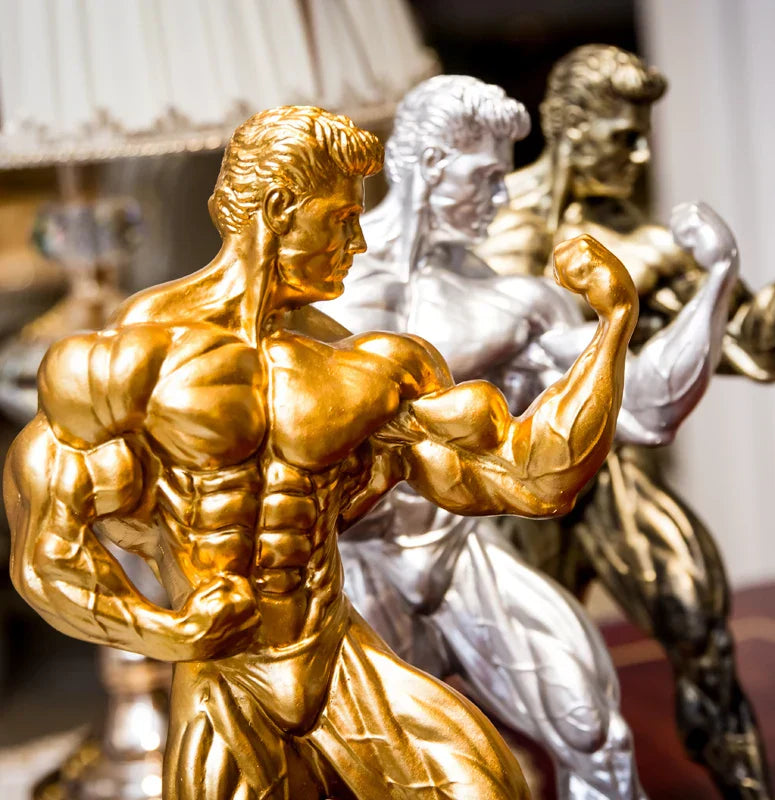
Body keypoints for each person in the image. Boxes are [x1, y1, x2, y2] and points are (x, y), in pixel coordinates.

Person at [5, 106, 638, 800]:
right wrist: (168, 633)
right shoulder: (130, 361)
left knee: (483, 786)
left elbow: (534, 479)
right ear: (280, 209)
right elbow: (48, 553)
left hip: (336, 659)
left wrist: (612, 327)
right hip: (224, 679)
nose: (357, 242)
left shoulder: (370, 367)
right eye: (342, 219)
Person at [318, 76, 739, 799]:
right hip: (346, 562)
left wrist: (717, 280)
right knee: (358, 778)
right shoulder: (316, 288)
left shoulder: (513, 301)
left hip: (459, 550)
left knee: (596, 736)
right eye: (486, 177)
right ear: (429, 164)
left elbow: (648, 409)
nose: (501, 198)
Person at [480, 45, 775, 799]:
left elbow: (758, 348)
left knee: (697, 621)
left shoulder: (642, 237)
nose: (642, 156)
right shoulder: (490, 220)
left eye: (643, 136)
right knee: (503, 680)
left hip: (611, 471)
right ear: (570, 126)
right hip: (511, 481)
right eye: (624, 137)